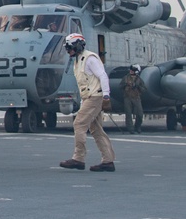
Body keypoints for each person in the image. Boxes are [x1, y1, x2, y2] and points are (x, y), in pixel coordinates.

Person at [59, 33, 115, 172]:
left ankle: (79, 159)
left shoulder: (90, 58)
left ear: (78, 45)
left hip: (95, 97)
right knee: (96, 130)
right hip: (89, 98)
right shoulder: (78, 60)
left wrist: (106, 96)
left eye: (70, 47)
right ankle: (108, 161)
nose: (68, 50)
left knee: (79, 123)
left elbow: (102, 75)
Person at [121, 65, 145, 134]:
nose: (131, 71)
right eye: (131, 70)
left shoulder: (139, 79)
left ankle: (138, 126)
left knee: (140, 114)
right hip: (127, 97)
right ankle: (130, 129)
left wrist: (138, 86)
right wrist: (126, 86)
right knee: (128, 114)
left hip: (136, 97)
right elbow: (120, 87)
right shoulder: (125, 78)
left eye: (132, 70)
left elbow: (144, 89)